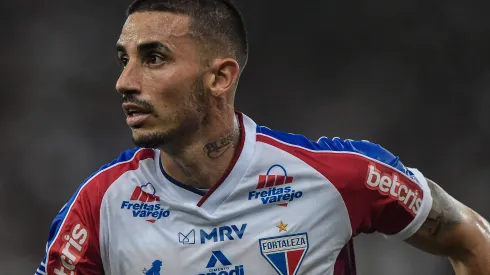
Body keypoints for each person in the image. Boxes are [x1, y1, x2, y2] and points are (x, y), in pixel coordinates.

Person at [35, 0, 490, 274]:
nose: (125, 81)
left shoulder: (338, 176)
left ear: (220, 77)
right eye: (123, 59)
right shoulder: (99, 207)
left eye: (154, 58)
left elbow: (471, 240)